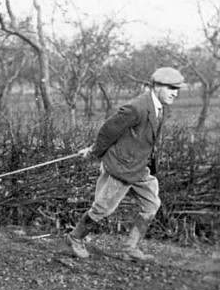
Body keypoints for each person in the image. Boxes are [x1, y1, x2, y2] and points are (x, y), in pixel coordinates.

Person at [67, 67, 185, 261]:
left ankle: (130, 248)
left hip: (139, 167)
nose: (175, 93)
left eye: (177, 88)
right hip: (120, 168)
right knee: (103, 209)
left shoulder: (159, 107)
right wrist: (94, 151)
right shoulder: (136, 107)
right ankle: (75, 237)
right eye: (171, 87)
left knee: (151, 204)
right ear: (156, 86)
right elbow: (108, 130)